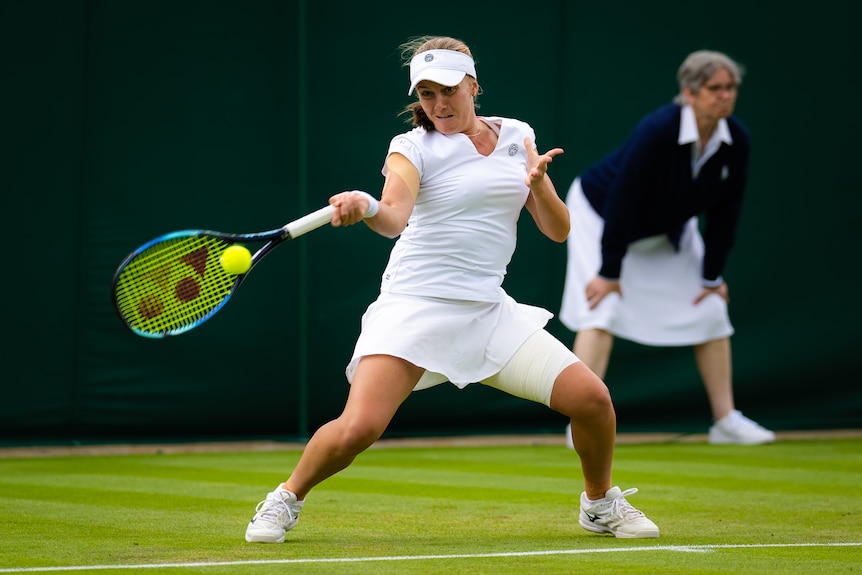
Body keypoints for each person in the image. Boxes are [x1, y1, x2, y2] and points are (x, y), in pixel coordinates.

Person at [244, 35, 659, 543]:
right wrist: (366, 205)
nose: (438, 104)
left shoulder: (518, 135)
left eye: (448, 90)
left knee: (593, 400)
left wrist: (539, 184)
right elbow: (394, 217)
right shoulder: (411, 147)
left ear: (473, 85)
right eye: (426, 94)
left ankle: (598, 504)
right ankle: (285, 498)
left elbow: (559, 230)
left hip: (488, 311)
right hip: (414, 306)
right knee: (359, 429)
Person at [559, 50, 775, 447]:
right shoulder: (657, 128)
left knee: (710, 304)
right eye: (715, 89)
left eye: (731, 89)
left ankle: (725, 421)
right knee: (601, 308)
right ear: (690, 93)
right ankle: (581, 423)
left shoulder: (736, 139)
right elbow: (623, 199)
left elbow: (727, 212)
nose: (726, 96)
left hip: (668, 228)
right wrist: (609, 272)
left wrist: (712, 276)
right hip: (600, 215)